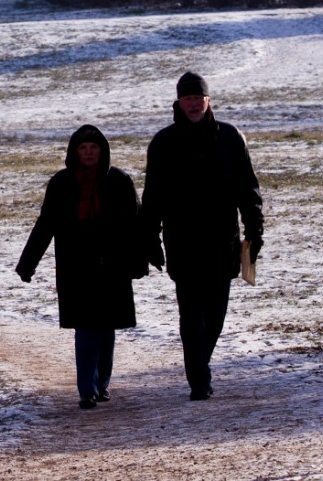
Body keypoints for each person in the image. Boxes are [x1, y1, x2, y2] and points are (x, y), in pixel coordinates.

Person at [142, 71, 263, 401]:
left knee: (216, 313)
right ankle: (199, 378)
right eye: (187, 98)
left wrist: (254, 229)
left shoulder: (231, 138)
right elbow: (152, 196)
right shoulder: (164, 143)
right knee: (190, 314)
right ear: (178, 102)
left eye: (198, 98)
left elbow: (247, 188)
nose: (193, 104)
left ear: (208, 101)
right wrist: (150, 237)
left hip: (223, 239)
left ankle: (199, 362)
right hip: (181, 241)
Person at [15, 124, 148, 409]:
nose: (89, 153)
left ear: (103, 151)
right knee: (87, 329)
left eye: (94, 148)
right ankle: (87, 389)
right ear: (74, 152)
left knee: (106, 329)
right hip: (77, 269)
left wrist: (143, 258)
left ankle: (102, 384)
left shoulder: (119, 181)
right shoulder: (62, 183)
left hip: (113, 267)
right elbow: (45, 225)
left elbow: (135, 225)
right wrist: (28, 263)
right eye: (83, 148)